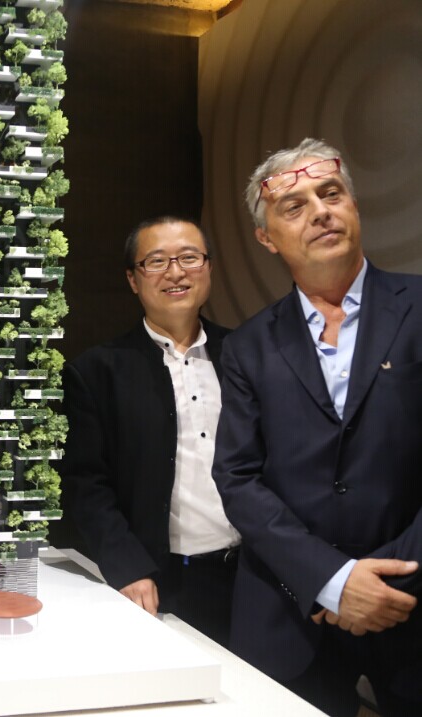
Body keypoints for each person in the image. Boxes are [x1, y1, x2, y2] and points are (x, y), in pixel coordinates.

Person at [213, 138, 422, 716]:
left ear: (353, 205)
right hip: (288, 610)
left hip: (411, 601)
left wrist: (391, 581)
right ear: (267, 238)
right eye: (295, 206)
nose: (320, 212)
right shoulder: (248, 346)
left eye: (331, 194)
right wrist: (332, 580)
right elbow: (238, 478)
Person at [62, 217, 239, 645]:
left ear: (209, 268)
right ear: (133, 280)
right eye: (156, 261)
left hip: (254, 577)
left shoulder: (246, 353)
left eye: (189, 258)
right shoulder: (97, 371)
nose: (175, 272)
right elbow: (85, 483)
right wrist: (127, 567)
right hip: (159, 581)